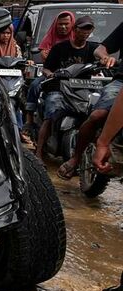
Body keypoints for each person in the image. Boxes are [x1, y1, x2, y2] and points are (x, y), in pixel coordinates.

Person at [61, 20, 123, 179]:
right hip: (119, 81)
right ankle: (76, 158)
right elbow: (101, 49)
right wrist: (105, 57)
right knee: (98, 115)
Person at [35, 16, 98, 160]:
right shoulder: (59, 48)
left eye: (88, 29)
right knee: (51, 113)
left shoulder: (94, 49)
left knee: (94, 113)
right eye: (82, 28)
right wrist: (51, 74)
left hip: (82, 89)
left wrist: (105, 63)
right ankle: (38, 152)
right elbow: (46, 69)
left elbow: (102, 60)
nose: (85, 32)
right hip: (59, 88)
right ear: (75, 29)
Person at [24, 11, 76, 136]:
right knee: (35, 85)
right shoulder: (50, 37)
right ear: (56, 25)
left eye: (66, 24)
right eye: (60, 24)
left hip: (75, 76)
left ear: (72, 24)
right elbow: (45, 59)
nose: (63, 27)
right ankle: (29, 118)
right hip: (52, 74)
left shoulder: (77, 39)